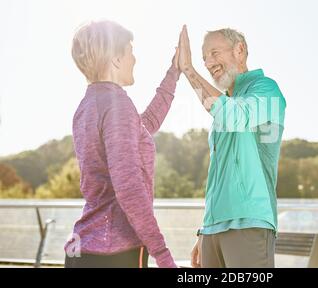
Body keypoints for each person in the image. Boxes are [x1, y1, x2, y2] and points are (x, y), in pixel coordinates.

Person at [64, 20, 179, 268]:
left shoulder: (86, 106)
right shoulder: (117, 105)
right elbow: (128, 187)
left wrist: (174, 73)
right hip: (115, 253)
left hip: (81, 250)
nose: (134, 59)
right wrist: (162, 253)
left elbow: (144, 127)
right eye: (130, 51)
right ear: (116, 59)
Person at [177, 25, 286, 268]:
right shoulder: (226, 102)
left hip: (250, 223)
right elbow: (220, 176)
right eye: (204, 57)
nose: (208, 62)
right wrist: (205, 229)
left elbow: (234, 116)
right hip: (214, 228)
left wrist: (188, 70)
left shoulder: (266, 90)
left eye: (215, 53)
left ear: (240, 50)